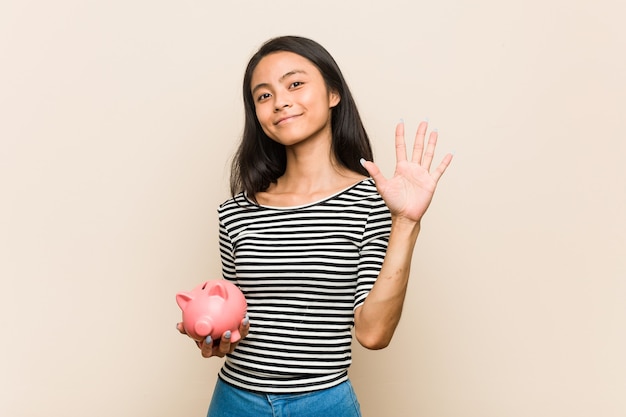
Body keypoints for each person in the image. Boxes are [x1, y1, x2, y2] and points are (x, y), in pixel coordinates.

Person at [177, 35, 453, 417]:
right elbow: (236, 319)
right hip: (234, 401)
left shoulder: (372, 203)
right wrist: (216, 337)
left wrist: (406, 222)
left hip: (322, 403)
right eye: (263, 95)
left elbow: (373, 335)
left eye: (294, 84)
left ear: (333, 93)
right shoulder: (235, 211)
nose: (280, 101)